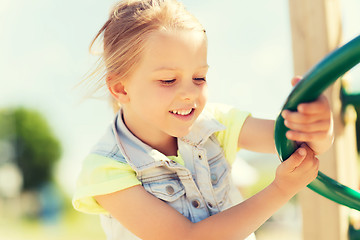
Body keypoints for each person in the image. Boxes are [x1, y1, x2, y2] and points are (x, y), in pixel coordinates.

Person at [72, 0, 334, 239]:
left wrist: (316, 125)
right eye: (168, 80)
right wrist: (280, 190)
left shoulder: (214, 124)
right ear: (121, 88)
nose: (189, 93)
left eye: (199, 77)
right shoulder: (106, 169)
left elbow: (299, 142)